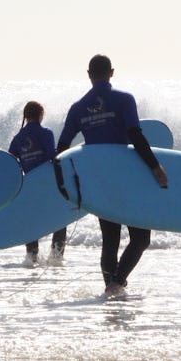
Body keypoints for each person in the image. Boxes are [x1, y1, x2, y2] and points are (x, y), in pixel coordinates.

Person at [56, 54, 168, 297]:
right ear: (112, 72)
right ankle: (116, 284)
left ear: (88, 74)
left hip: (98, 181)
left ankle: (112, 288)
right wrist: (155, 167)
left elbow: (62, 148)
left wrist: (68, 188)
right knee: (141, 238)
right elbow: (135, 135)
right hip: (127, 179)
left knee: (110, 240)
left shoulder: (77, 108)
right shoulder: (124, 100)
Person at [8, 101, 67, 266]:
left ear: (26, 116)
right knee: (60, 220)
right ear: (41, 114)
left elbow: (10, 163)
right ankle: (56, 258)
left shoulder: (18, 138)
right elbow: (52, 156)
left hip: (30, 186)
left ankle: (32, 257)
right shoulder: (45, 133)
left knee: (32, 221)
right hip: (48, 185)